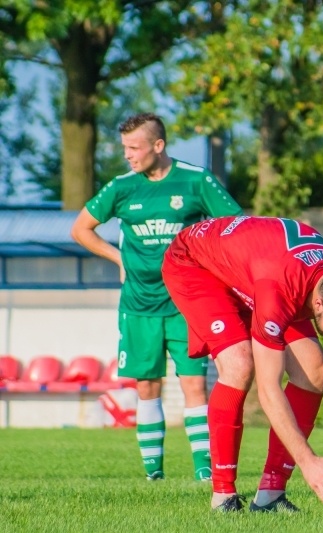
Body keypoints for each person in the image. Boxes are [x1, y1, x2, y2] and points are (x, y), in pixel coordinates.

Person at [161, 215, 323, 512]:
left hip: (259, 268)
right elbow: (268, 388)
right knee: (240, 364)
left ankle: (270, 495)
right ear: (318, 304)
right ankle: (223, 495)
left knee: (316, 371)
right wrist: (308, 462)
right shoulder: (277, 290)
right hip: (194, 263)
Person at [71, 113, 243, 482]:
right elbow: (81, 228)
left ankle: (204, 474)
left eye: (134, 148)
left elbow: (234, 227)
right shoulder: (122, 187)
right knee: (147, 386)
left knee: (194, 383)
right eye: (125, 149)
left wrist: (213, 269)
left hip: (188, 304)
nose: (128, 156)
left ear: (158, 146)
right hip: (138, 305)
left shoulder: (196, 180)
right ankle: (154, 476)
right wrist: (119, 258)